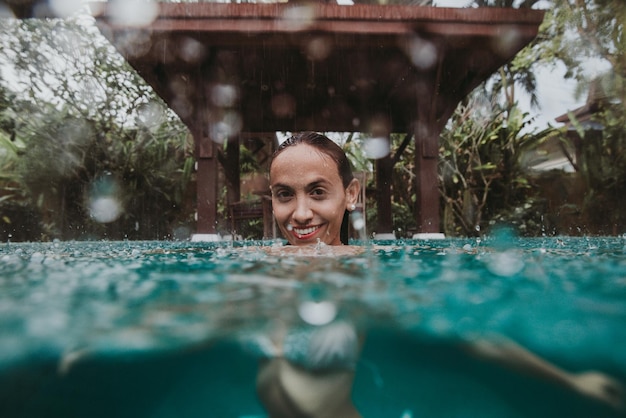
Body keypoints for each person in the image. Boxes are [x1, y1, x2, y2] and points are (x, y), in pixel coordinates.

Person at [256, 131, 624, 417]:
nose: (300, 213)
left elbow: (470, 332)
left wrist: (572, 380)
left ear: (351, 194)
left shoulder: (364, 268)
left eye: (317, 192)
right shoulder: (261, 262)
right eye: (285, 195)